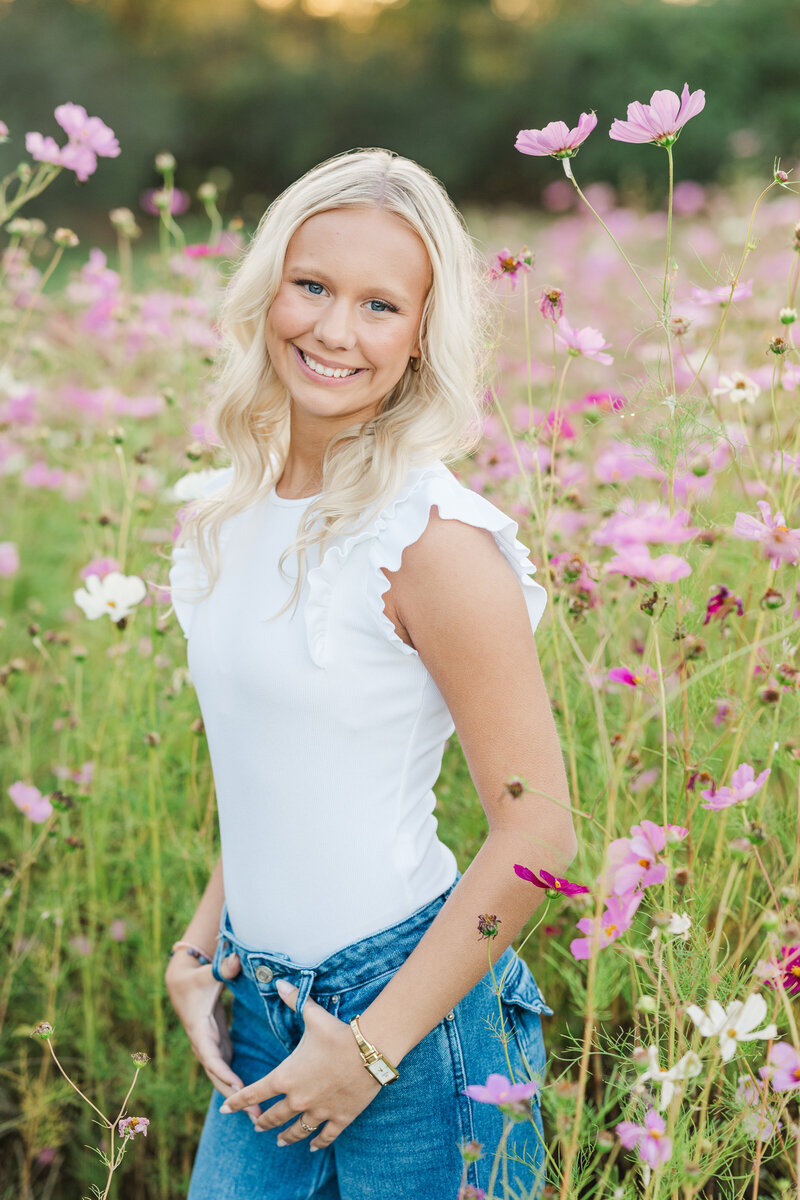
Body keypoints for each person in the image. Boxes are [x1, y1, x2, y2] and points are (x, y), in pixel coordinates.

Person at [165, 147, 576, 1200]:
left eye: (379, 305)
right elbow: (282, 766)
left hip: (411, 1018)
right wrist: (201, 943)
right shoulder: (220, 513)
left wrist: (372, 1045)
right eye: (311, 287)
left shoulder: (435, 545)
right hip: (257, 1009)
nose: (334, 331)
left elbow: (540, 834)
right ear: (268, 290)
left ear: (420, 338)